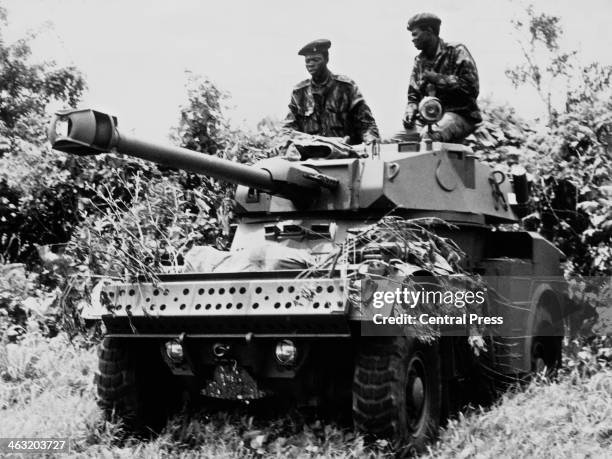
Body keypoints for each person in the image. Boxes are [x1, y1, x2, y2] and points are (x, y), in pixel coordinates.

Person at [402, 13, 482, 143]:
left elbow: (471, 88)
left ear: (429, 31)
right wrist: (410, 111)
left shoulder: (456, 51)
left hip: (459, 115)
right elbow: (413, 96)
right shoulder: (419, 61)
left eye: (415, 34)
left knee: (429, 138)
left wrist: (438, 79)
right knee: (387, 141)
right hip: (426, 118)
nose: (412, 39)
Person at [283, 39, 379, 146]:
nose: (310, 64)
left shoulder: (346, 87)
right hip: (311, 157)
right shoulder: (299, 93)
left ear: (326, 60)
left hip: (345, 154)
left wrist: (371, 145)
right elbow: (288, 128)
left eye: (316, 59)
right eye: (307, 61)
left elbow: (367, 125)